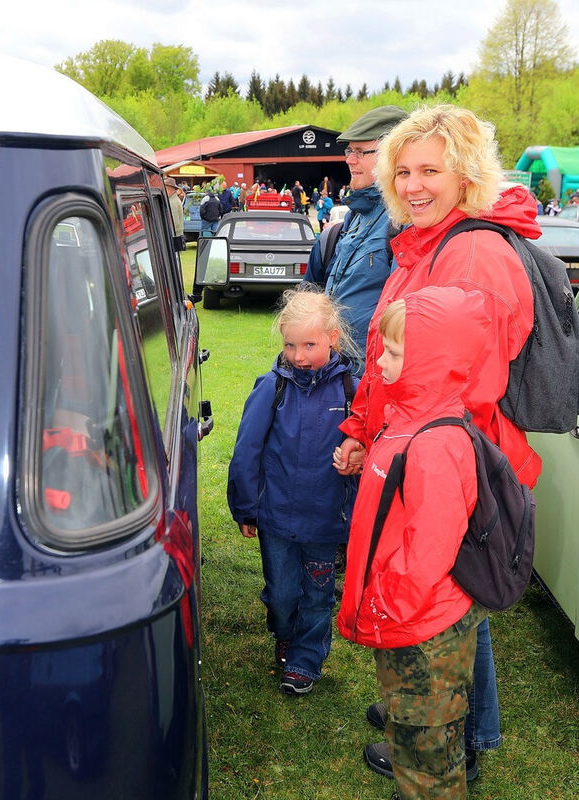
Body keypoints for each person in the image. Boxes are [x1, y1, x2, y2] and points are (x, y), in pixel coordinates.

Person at [335, 104, 542, 784]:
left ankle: (457, 739)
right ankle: (430, 714)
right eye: (404, 171)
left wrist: (402, 450)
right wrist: (368, 430)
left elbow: (460, 385)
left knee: (450, 600)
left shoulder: (473, 251)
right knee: (453, 599)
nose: (414, 184)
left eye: (432, 170)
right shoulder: (424, 241)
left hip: (445, 461)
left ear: (467, 175)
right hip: (415, 449)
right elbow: (392, 353)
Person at [337, 286, 492, 800]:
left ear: (433, 359)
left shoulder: (437, 443)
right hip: (406, 622)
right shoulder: (406, 419)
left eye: (395, 352)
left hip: (422, 633)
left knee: (430, 765)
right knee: (408, 741)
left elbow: (427, 553)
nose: (379, 358)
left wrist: (383, 607)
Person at [227, 287, 360, 695]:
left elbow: (372, 447)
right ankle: (283, 630)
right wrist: (246, 508)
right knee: (284, 594)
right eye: (290, 345)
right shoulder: (272, 388)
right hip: (277, 520)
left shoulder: (352, 392)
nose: (299, 356)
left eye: (309, 345)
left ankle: (305, 661)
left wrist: (360, 451)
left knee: (318, 596)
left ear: (333, 338)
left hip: (325, 521)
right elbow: (247, 450)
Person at [303, 105, 409, 360]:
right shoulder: (353, 219)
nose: (349, 159)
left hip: (371, 378)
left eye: (360, 151)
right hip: (334, 373)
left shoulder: (405, 221)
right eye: (349, 150)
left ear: (390, 156)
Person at [165, 176, 185, 251]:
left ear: (169, 189)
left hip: (174, 237)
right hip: (176, 235)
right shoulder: (173, 200)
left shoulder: (172, 202)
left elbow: (174, 223)